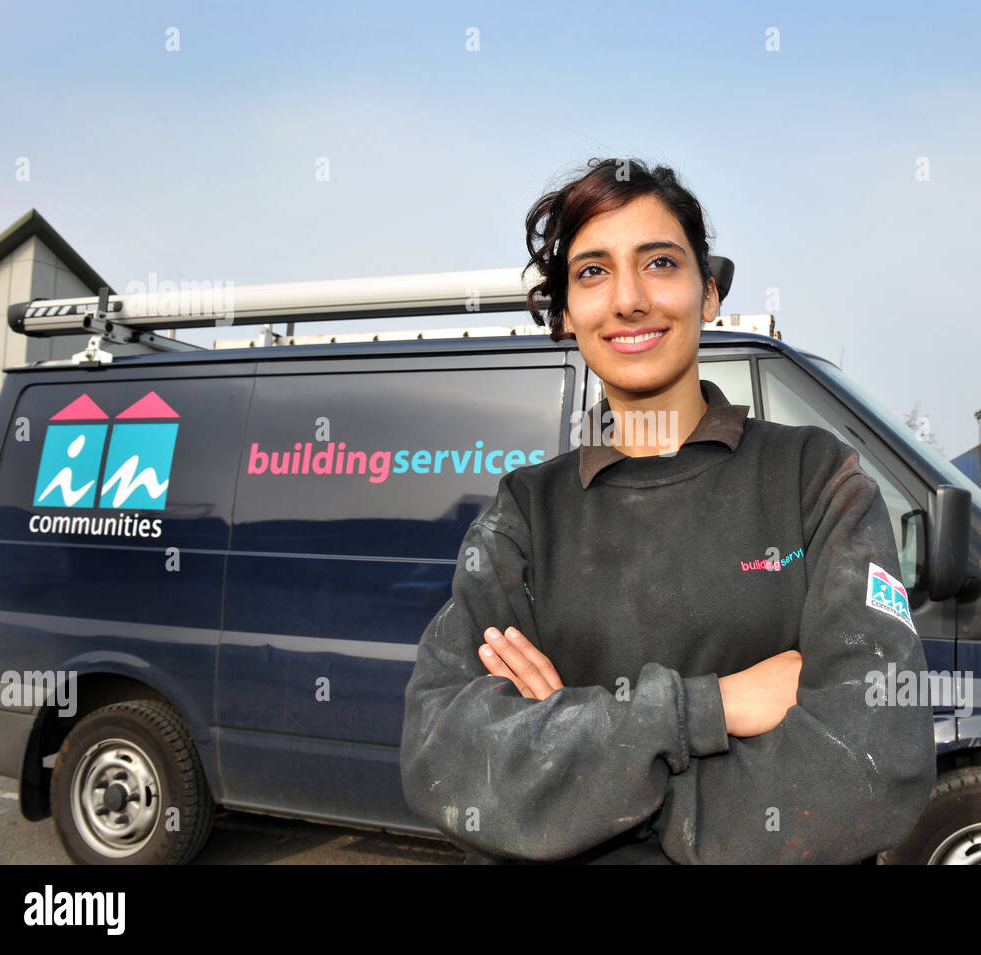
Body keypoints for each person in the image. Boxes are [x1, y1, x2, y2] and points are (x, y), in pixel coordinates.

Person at [400, 157, 935, 864]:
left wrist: (583, 772)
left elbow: (873, 759)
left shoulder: (815, 477)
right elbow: (447, 755)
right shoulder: (525, 514)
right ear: (564, 313)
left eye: (659, 262)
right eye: (592, 271)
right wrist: (710, 709)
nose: (628, 299)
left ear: (708, 291)